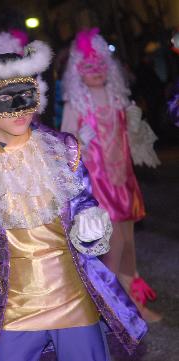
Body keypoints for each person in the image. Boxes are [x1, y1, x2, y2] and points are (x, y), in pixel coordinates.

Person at [0, 36, 146, 360]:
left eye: (26, 94)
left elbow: (82, 202)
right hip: (18, 304)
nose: (20, 107)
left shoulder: (63, 149)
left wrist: (88, 225)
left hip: (72, 296)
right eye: (6, 98)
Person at [61, 28, 162, 322]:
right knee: (113, 248)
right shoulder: (75, 105)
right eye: (88, 66)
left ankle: (134, 303)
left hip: (123, 182)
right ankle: (114, 309)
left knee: (129, 246)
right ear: (77, 72)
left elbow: (131, 140)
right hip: (98, 186)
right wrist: (79, 139)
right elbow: (66, 148)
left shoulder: (118, 99)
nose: (96, 71)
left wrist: (136, 127)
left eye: (100, 64)